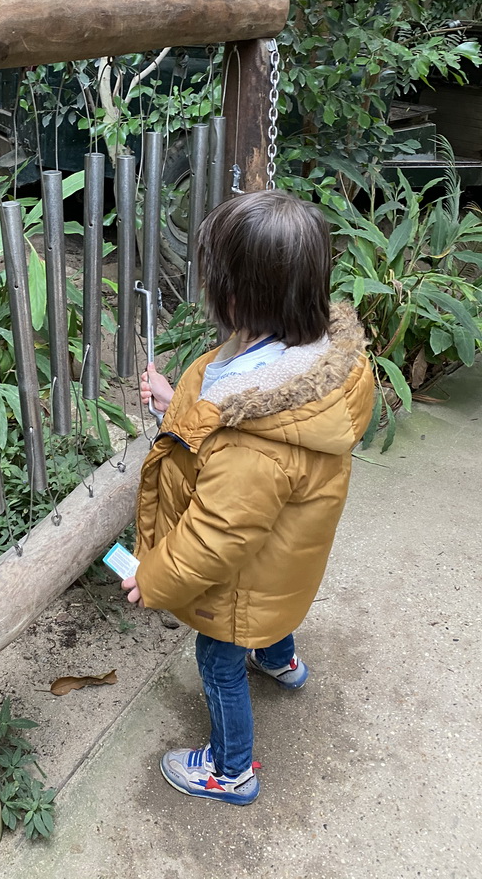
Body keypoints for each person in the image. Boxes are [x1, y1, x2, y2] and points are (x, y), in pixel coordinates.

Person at [121, 189, 374, 805]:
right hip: (280, 563)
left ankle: (231, 769)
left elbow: (216, 536)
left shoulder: (252, 443)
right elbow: (218, 403)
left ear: (236, 297)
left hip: (238, 580)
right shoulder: (310, 363)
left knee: (218, 655)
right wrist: (171, 403)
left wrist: (153, 576)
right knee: (271, 599)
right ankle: (282, 661)